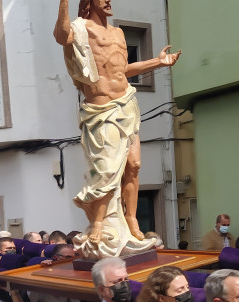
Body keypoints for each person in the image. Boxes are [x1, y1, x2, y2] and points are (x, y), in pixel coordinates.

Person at [55, 0, 180, 250]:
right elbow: (62, 35)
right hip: (101, 109)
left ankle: (132, 220)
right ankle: (99, 223)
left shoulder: (119, 33)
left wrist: (158, 62)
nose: (109, 0)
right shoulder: (81, 27)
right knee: (106, 170)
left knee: (133, 166)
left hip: (127, 103)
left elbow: (122, 70)